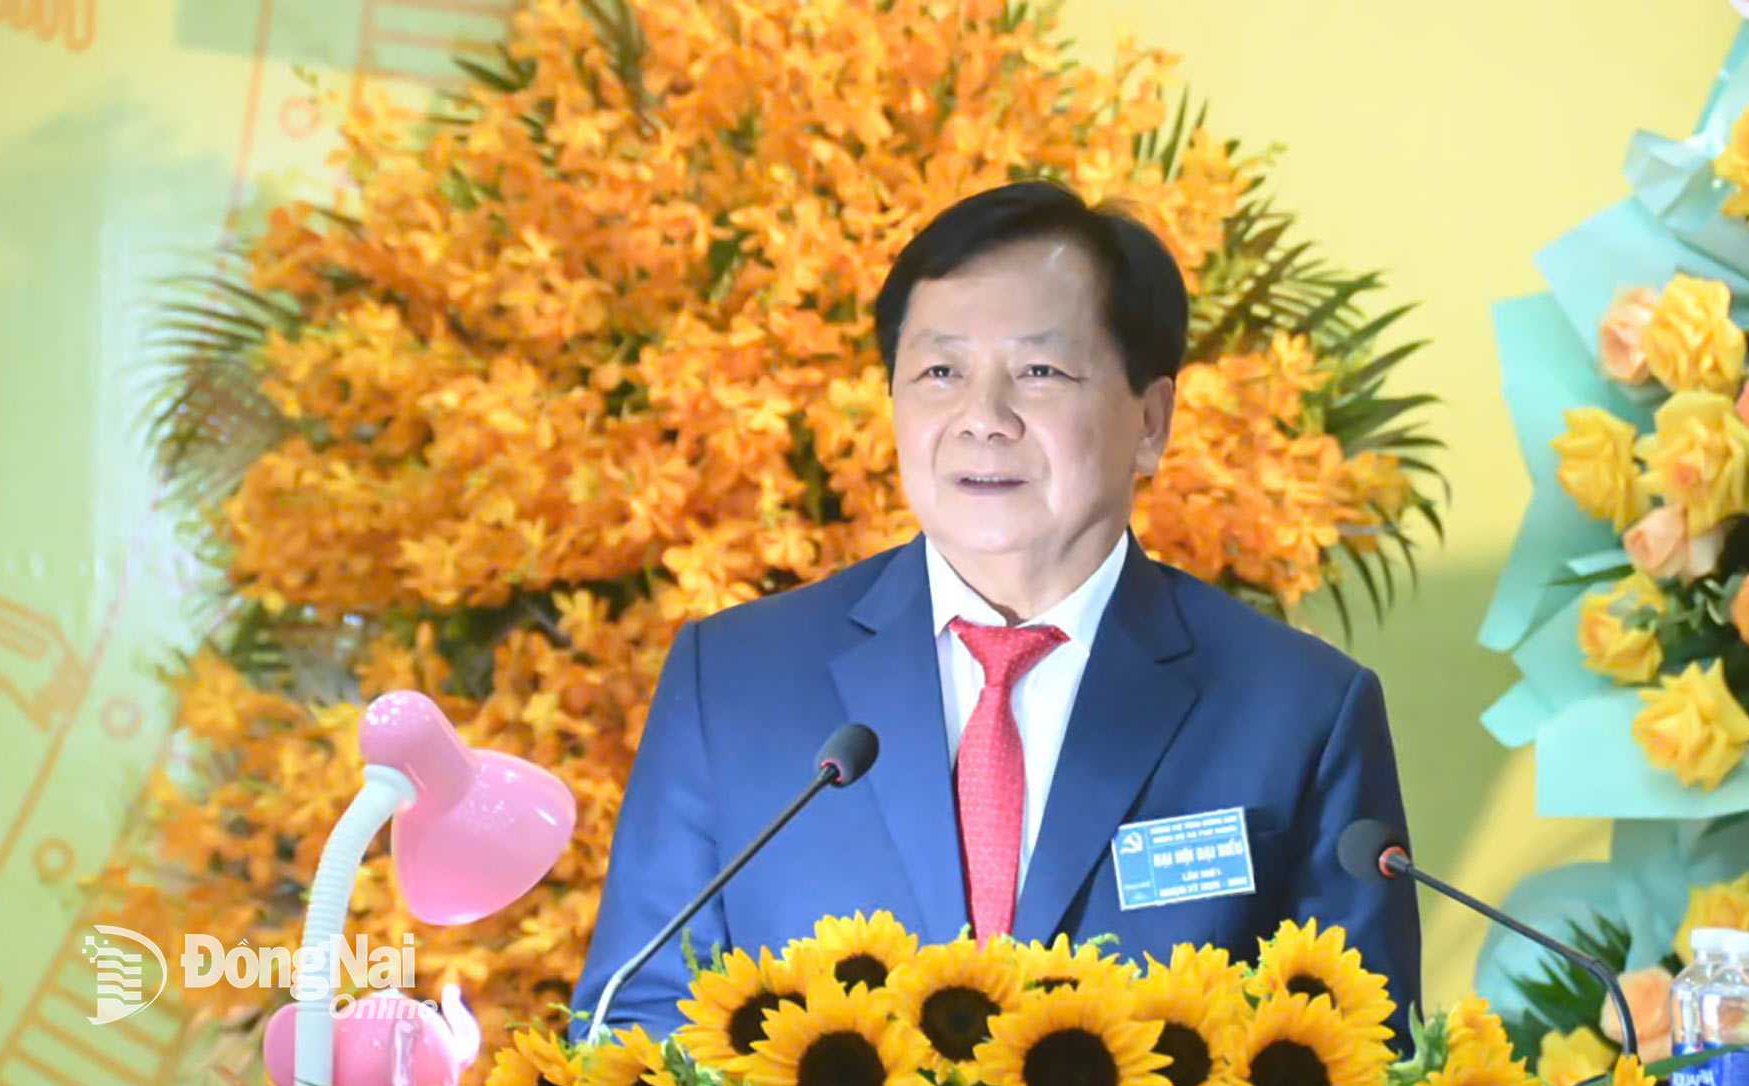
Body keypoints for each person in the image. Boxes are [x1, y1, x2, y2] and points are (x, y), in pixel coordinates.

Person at [569, 180, 1419, 1042]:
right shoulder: (737, 680)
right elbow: (631, 1023)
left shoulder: (1299, 710)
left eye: (1039, 372)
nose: (983, 418)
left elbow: (1360, 1066)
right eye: (940, 372)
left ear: (1153, 421)